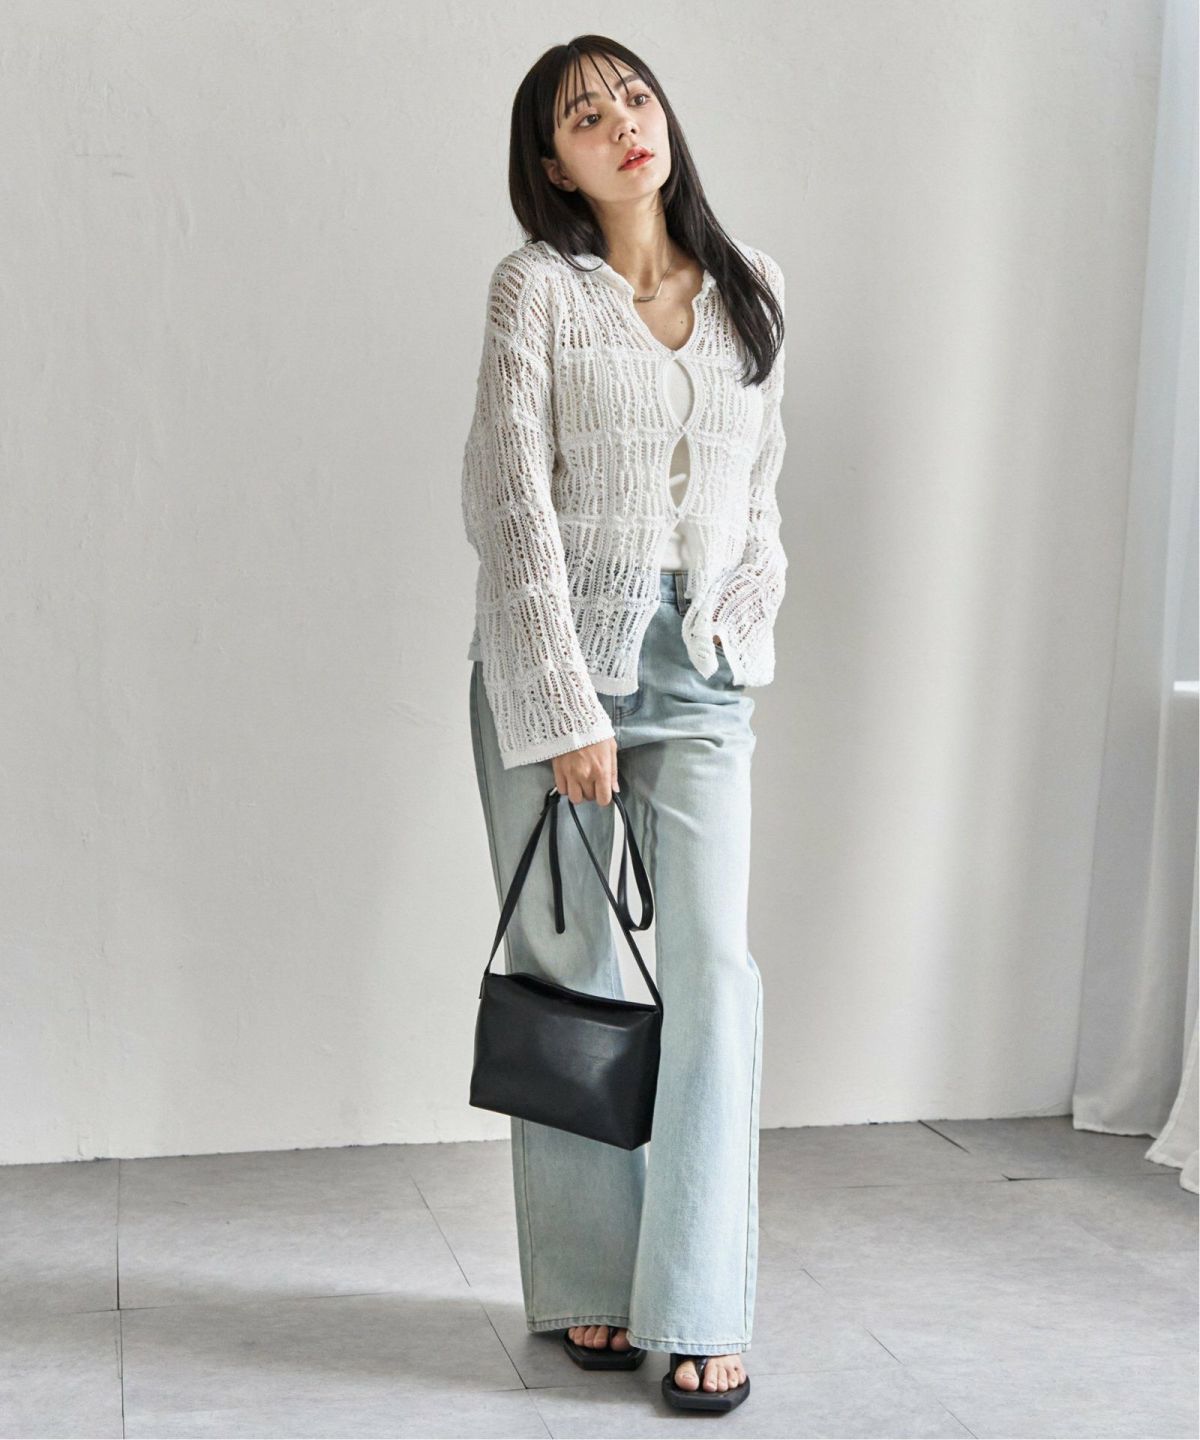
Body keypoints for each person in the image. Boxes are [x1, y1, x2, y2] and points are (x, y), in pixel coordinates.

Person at [462, 33, 787, 1416]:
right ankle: (591, 1279)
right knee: (576, 972)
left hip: (699, 666)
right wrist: (562, 705)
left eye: (633, 98)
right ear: (555, 163)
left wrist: (733, 632)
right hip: (559, 661)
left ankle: (702, 1305)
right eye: (585, 116)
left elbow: (760, 497)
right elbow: (509, 502)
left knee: (713, 974)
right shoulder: (537, 289)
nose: (621, 124)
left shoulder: (752, 288)